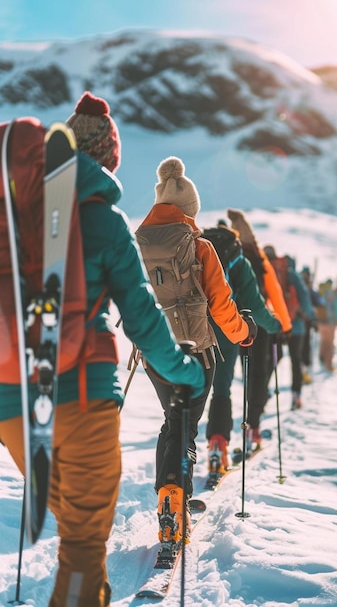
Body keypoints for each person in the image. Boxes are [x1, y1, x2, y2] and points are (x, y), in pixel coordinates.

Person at [0, 92, 206, 607]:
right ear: (108, 158)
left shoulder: (11, 215)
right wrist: (185, 371)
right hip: (82, 397)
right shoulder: (103, 220)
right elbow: (141, 318)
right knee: (83, 545)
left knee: (77, 532)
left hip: (11, 406)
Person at [135, 159, 256, 542]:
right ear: (190, 209)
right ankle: (175, 502)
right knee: (184, 427)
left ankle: (166, 500)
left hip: (154, 353)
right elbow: (222, 306)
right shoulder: (200, 246)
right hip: (197, 353)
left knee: (172, 423)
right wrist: (244, 333)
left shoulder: (138, 243)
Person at [204, 221, 281, 473]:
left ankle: (181, 456)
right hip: (226, 329)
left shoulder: (198, 249)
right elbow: (255, 305)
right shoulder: (239, 259)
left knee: (190, 391)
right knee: (221, 389)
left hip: (193, 329)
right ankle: (218, 445)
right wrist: (273, 325)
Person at [226, 209, 292, 444]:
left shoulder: (228, 254)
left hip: (231, 320)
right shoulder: (258, 258)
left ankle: (245, 424)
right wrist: (283, 325)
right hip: (261, 322)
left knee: (244, 374)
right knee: (259, 373)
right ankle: (254, 424)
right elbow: (273, 292)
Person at [264, 248, 316, 410]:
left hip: (275, 325)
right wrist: (308, 316)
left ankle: (262, 394)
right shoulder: (293, 275)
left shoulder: (270, 271)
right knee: (295, 360)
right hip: (296, 326)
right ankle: (296, 396)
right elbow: (305, 299)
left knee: (273, 358)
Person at [300, 265, 324, 382]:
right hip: (306, 322)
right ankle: (303, 374)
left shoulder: (299, 286)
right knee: (305, 348)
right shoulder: (307, 289)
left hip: (301, 322)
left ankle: (302, 374)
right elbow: (319, 302)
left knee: (302, 348)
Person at [317, 279, 337, 372]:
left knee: (323, 341)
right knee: (330, 343)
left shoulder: (320, 294)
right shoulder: (332, 295)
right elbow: (336, 309)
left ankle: (322, 358)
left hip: (321, 322)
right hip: (330, 322)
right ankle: (329, 364)